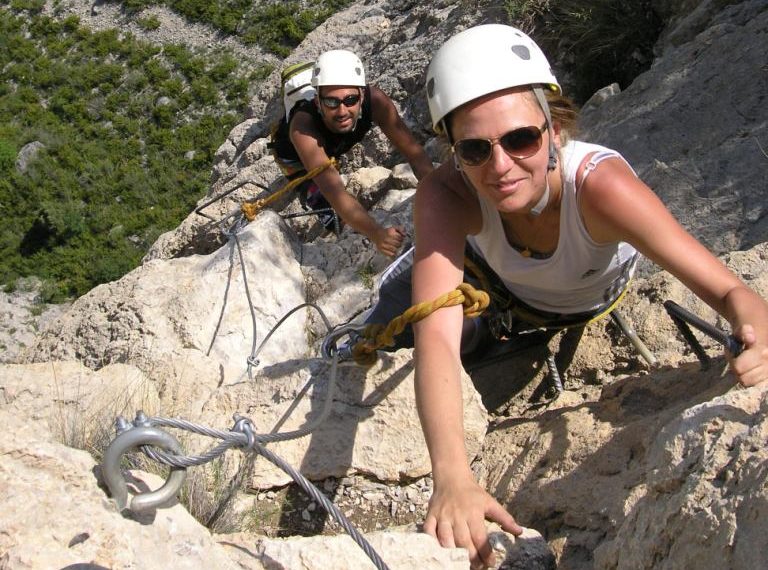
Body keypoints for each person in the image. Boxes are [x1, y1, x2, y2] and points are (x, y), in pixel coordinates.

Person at [364, 24, 768, 568]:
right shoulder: (448, 192)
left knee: (461, 325)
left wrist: (753, 319)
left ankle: (496, 334)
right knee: (398, 320)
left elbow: (725, 288)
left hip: (568, 302)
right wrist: (452, 477)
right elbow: (434, 333)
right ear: (454, 153)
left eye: (521, 139)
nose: (501, 166)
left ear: (554, 129)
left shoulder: (600, 187)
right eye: (475, 149)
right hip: (495, 278)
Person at [269, 49, 433, 257]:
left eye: (350, 100)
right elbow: (335, 193)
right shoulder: (302, 128)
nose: (342, 111)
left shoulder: (376, 101)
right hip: (295, 157)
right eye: (331, 101)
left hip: (332, 142)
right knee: (337, 219)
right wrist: (377, 234)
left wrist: (438, 190)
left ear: (362, 94)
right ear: (318, 102)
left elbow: (414, 153)